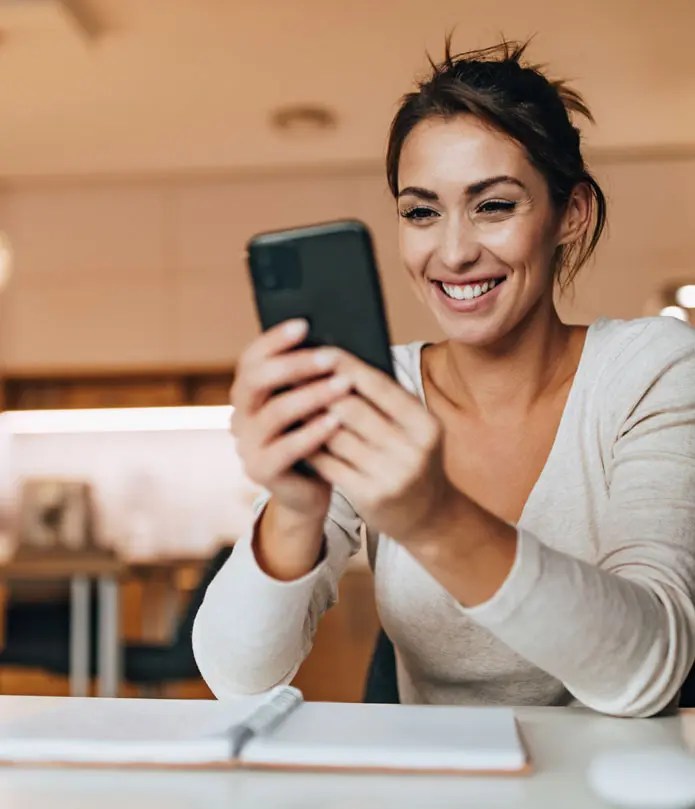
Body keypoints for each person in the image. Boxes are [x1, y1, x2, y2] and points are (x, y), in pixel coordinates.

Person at [192, 40, 695, 717]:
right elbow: (236, 676)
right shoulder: (372, 386)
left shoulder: (651, 368)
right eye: (420, 211)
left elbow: (649, 669)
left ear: (568, 214)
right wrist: (296, 506)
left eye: (493, 205)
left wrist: (432, 517)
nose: (453, 252)